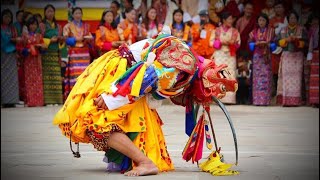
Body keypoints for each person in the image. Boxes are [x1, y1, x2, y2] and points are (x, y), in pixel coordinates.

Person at [53, 28, 238, 176]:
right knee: (97, 120)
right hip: (123, 75)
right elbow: (145, 80)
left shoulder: (189, 61)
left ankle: (144, 162)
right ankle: (143, 161)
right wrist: (111, 97)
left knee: (98, 123)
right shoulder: (185, 67)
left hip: (123, 71)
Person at [276, 10, 308, 106]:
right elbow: (277, 42)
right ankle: (286, 101)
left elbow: (306, 43)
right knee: (286, 79)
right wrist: (286, 40)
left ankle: (296, 101)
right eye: (290, 18)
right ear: (288, 19)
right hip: (286, 56)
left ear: (297, 19)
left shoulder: (302, 30)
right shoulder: (283, 30)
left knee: (297, 80)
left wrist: (297, 41)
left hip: (297, 57)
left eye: (294, 18)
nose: (292, 19)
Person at [210, 11, 240, 104]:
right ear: (224, 20)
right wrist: (220, 43)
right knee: (219, 74)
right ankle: (219, 97)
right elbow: (211, 42)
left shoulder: (235, 31)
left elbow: (238, 43)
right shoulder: (217, 30)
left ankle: (230, 99)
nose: (231, 21)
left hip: (230, 55)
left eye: (232, 19)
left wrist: (232, 44)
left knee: (230, 74)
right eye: (229, 19)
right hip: (219, 54)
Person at [63, 7, 93, 100]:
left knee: (84, 74)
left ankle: (84, 95)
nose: (78, 15)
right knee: (75, 74)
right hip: (74, 52)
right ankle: (74, 96)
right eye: (76, 13)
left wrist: (88, 38)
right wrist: (75, 39)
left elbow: (90, 37)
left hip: (84, 52)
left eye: (80, 13)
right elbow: (65, 39)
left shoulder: (86, 26)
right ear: (72, 15)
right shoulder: (68, 26)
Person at [39, 4, 64, 105]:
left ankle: (57, 100)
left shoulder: (58, 26)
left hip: (56, 53)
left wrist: (61, 39)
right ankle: (48, 101)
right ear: (45, 13)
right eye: (48, 11)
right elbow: (38, 38)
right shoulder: (42, 25)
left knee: (56, 77)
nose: (50, 13)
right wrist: (50, 40)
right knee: (47, 77)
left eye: (52, 11)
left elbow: (62, 41)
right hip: (46, 53)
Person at [248, 13, 275, 106]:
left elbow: (274, 46)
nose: (261, 22)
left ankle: (265, 101)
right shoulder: (254, 32)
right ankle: (257, 101)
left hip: (266, 57)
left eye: (263, 20)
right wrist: (256, 44)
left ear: (266, 21)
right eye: (260, 20)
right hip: (257, 58)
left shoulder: (271, 32)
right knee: (257, 79)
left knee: (266, 78)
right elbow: (250, 46)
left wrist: (267, 44)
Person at [19, 16, 46, 107]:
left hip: (37, 60)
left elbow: (43, 48)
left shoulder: (39, 36)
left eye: (35, 24)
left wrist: (41, 47)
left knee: (38, 79)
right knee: (28, 80)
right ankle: (30, 101)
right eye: (31, 24)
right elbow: (21, 48)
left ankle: (38, 101)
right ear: (28, 25)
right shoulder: (25, 36)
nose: (33, 26)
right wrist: (27, 50)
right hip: (28, 61)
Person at [1, 9, 20, 107]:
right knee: (4, 78)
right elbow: (4, 39)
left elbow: (16, 39)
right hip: (3, 55)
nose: (7, 19)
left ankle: (12, 100)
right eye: (5, 16)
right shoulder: (1, 28)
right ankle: (4, 101)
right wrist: (12, 39)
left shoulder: (12, 28)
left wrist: (16, 40)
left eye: (9, 17)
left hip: (12, 55)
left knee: (12, 78)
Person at [269, 1, 288, 101]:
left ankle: (283, 95)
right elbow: (270, 33)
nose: (278, 9)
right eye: (276, 7)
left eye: (280, 7)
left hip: (285, 49)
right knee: (274, 71)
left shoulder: (287, 19)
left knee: (284, 72)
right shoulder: (271, 20)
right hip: (274, 49)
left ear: (283, 9)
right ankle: (274, 94)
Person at [306, 13, 319, 107]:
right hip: (315, 55)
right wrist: (309, 56)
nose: (314, 21)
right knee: (314, 79)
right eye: (313, 20)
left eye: (316, 19)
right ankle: (315, 101)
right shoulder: (311, 31)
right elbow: (310, 44)